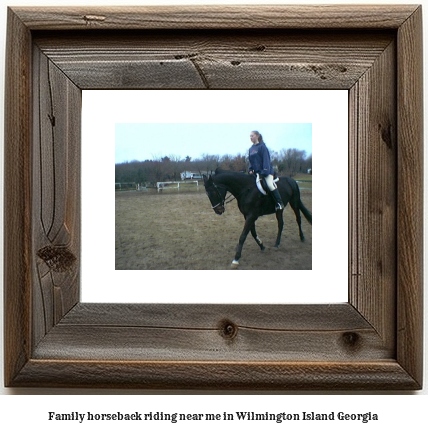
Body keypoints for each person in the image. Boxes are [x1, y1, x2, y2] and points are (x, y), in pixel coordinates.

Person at [248, 130, 284, 210]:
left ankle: (279, 203)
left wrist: (265, 171)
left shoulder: (262, 147)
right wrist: (250, 169)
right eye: (250, 136)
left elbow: (266, 160)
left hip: (266, 172)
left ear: (257, 136)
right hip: (256, 173)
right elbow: (250, 160)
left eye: (252, 136)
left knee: (270, 184)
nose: (251, 137)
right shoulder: (251, 149)